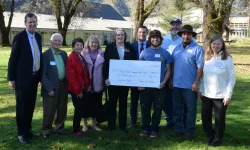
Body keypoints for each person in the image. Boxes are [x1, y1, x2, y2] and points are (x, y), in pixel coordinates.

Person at [7, 13, 42, 144]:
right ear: (25, 24)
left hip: (34, 78)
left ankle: (28, 131)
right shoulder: (19, 37)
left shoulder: (38, 37)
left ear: (37, 23)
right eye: (30, 22)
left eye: (34, 21)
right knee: (22, 107)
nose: (32, 24)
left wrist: (40, 77)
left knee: (30, 106)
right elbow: (13, 59)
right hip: (22, 79)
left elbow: (38, 56)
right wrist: (11, 78)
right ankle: (21, 133)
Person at [199, 35, 236, 146]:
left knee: (219, 119)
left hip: (221, 95)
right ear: (210, 45)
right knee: (205, 117)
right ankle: (210, 135)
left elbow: (231, 79)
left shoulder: (227, 59)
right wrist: (200, 89)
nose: (216, 46)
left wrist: (228, 95)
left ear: (222, 45)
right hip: (206, 94)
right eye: (214, 43)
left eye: (218, 44)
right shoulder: (207, 58)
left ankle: (217, 138)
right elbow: (202, 76)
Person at [171, 25, 204, 139]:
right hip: (176, 84)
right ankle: (178, 129)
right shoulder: (176, 48)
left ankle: (190, 131)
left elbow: (200, 67)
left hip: (190, 85)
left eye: (188, 34)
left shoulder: (197, 49)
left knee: (191, 110)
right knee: (177, 109)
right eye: (184, 34)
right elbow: (172, 65)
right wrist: (171, 80)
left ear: (192, 36)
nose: (186, 36)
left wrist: (196, 82)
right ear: (181, 36)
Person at [139, 30, 172, 138]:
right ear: (150, 39)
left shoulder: (166, 53)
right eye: (153, 37)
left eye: (157, 37)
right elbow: (138, 70)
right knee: (145, 108)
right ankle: (145, 128)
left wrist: (164, 82)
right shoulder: (144, 52)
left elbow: (168, 70)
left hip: (160, 86)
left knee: (158, 109)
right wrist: (140, 83)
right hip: (145, 87)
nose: (155, 39)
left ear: (160, 40)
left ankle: (154, 129)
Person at [103, 28, 137, 133]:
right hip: (112, 80)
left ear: (125, 36)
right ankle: (111, 126)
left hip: (125, 81)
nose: (120, 36)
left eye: (122, 35)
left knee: (123, 103)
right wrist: (106, 78)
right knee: (112, 103)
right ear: (115, 36)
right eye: (118, 35)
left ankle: (123, 126)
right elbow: (105, 64)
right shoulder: (109, 47)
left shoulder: (129, 47)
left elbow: (134, 63)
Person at [41, 33, 68, 138]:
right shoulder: (45, 55)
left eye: (59, 41)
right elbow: (43, 75)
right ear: (51, 41)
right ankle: (46, 130)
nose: (57, 42)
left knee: (62, 108)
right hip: (51, 87)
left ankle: (59, 128)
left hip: (62, 85)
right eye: (55, 40)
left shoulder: (63, 54)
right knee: (49, 110)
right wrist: (49, 88)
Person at [66, 38, 91, 136]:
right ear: (73, 46)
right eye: (77, 45)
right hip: (76, 89)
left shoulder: (80, 56)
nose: (79, 47)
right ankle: (75, 130)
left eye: (81, 45)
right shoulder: (71, 58)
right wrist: (78, 91)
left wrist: (88, 84)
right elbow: (71, 77)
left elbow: (85, 72)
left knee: (80, 109)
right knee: (78, 109)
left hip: (83, 87)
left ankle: (77, 128)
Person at [161, 18, 182, 129]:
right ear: (170, 26)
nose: (175, 27)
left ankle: (180, 121)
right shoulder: (163, 39)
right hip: (165, 73)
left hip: (180, 74)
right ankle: (169, 120)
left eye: (178, 25)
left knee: (178, 100)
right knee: (166, 99)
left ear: (181, 26)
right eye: (173, 24)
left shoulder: (186, 39)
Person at [80, 35, 104, 132]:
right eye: (92, 42)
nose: (94, 44)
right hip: (86, 83)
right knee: (85, 105)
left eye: (95, 42)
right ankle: (84, 125)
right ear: (88, 43)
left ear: (98, 44)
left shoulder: (102, 54)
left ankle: (94, 124)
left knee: (96, 105)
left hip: (98, 83)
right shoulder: (82, 53)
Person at [129, 26, 150, 128]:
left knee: (145, 102)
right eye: (140, 32)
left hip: (147, 78)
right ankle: (133, 122)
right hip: (134, 78)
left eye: (144, 32)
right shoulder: (131, 46)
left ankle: (145, 122)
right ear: (137, 33)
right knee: (133, 101)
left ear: (147, 34)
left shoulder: (151, 45)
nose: (142, 34)